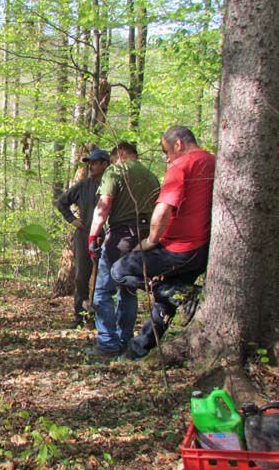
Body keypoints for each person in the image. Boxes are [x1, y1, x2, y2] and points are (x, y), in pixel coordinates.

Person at [112, 126, 215, 359]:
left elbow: (162, 210)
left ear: (178, 144)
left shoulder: (180, 165)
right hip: (201, 252)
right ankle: (136, 353)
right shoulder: (214, 161)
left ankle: (180, 292)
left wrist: (150, 241)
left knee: (118, 270)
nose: (166, 157)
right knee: (163, 305)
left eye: (166, 151)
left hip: (178, 249)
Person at [86, 141, 160, 357]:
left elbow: (104, 205)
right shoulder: (151, 176)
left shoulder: (115, 170)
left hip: (121, 237)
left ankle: (108, 344)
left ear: (119, 155)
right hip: (145, 238)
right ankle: (125, 340)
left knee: (102, 292)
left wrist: (93, 235)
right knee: (127, 290)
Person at [55, 148, 111, 328]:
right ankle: (80, 316)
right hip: (85, 235)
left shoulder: (114, 183)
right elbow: (62, 202)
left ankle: (102, 316)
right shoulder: (84, 185)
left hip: (109, 236)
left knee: (106, 277)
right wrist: (72, 219)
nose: (91, 166)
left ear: (105, 164)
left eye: (94, 163)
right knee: (81, 277)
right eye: (89, 163)